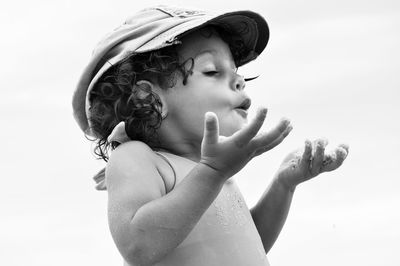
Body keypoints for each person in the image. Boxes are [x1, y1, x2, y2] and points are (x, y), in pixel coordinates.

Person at [72, 5, 349, 266]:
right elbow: (140, 245)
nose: (239, 81)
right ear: (149, 97)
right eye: (212, 71)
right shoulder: (137, 158)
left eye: (237, 72)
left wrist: (283, 185)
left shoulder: (211, 171)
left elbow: (246, 248)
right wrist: (213, 171)